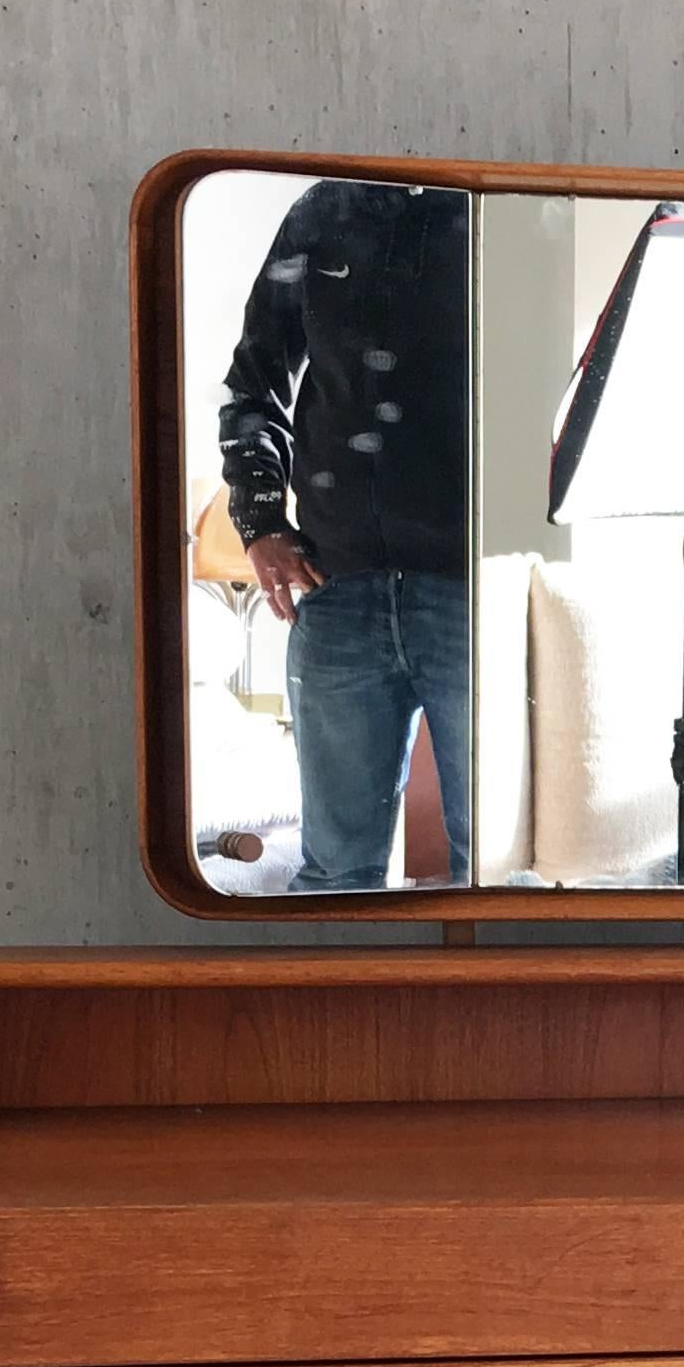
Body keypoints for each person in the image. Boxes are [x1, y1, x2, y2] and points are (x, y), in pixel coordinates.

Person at [216, 180, 474, 891]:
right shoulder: (324, 214)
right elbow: (253, 382)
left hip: (475, 594)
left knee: (495, 872)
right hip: (337, 589)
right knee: (333, 876)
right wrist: (260, 522)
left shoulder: (488, 208)